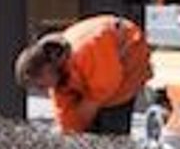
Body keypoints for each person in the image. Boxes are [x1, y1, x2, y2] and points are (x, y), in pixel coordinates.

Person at [16, 13, 153, 135]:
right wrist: (69, 130)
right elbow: (66, 118)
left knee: (110, 121)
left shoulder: (86, 50)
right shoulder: (56, 73)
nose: (43, 90)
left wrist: (85, 117)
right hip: (100, 69)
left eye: (40, 85)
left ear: (45, 69)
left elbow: (104, 88)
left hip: (129, 56)